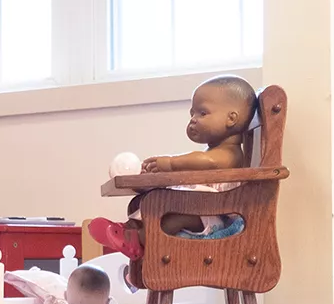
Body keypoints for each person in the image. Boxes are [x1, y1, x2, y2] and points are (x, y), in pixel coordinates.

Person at [88, 75, 257, 259]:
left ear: (231, 118)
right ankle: (127, 230)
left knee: (172, 218)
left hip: (214, 215)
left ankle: (138, 240)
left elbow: (207, 161)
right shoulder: (214, 151)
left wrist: (170, 163)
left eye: (202, 113)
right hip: (203, 209)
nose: (193, 119)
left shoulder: (229, 153)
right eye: (192, 113)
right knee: (151, 202)